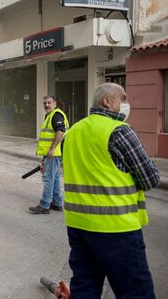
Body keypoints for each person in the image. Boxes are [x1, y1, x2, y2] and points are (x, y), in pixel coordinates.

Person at [63, 83, 159, 298]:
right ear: (107, 101)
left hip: (78, 225)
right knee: (136, 291)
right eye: (122, 98)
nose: (126, 104)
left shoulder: (73, 132)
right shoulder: (119, 130)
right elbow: (150, 178)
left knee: (85, 286)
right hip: (116, 228)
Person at [29, 95, 69, 214]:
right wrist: (45, 157)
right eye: (45, 103)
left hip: (54, 153)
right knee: (55, 178)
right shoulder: (50, 115)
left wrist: (52, 149)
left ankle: (45, 205)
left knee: (48, 179)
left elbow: (60, 131)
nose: (46, 105)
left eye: (49, 103)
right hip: (53, 154)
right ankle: (57, 203)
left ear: (55, 103)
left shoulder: (56, 115)